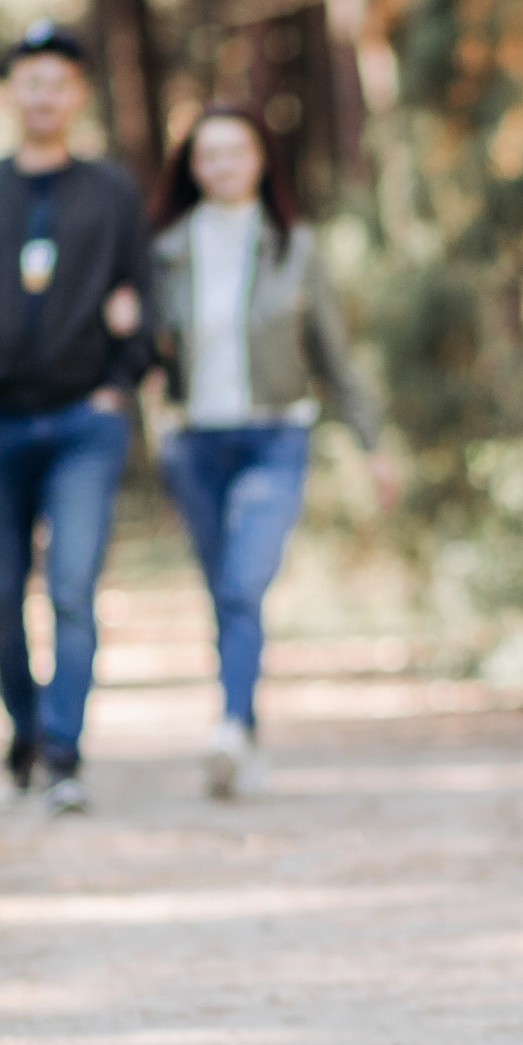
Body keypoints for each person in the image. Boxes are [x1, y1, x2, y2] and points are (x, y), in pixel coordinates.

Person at [0, 21, 153, 817]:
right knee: (2, 592)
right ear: (12, 91)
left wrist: (119, 381)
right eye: (30, 80)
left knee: (74, 586)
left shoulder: (112, 192)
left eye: (59, 82)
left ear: (77, 94)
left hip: (86, 419)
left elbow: (146, 299)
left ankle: (62, 751)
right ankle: (22, 736)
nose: (44, 95)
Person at [147, 104, 396, 799]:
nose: (222, 165)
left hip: (275, 434)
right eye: (208, 155)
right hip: (193, 439)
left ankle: (229, 723)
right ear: (192, 168)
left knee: (242, 582)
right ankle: (242, 723)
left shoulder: (296, 247)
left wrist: (372, 445)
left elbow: (334, 357)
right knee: (223, 593)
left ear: (260, 160)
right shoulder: (165, 250)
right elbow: (139, 344)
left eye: (236, 151)